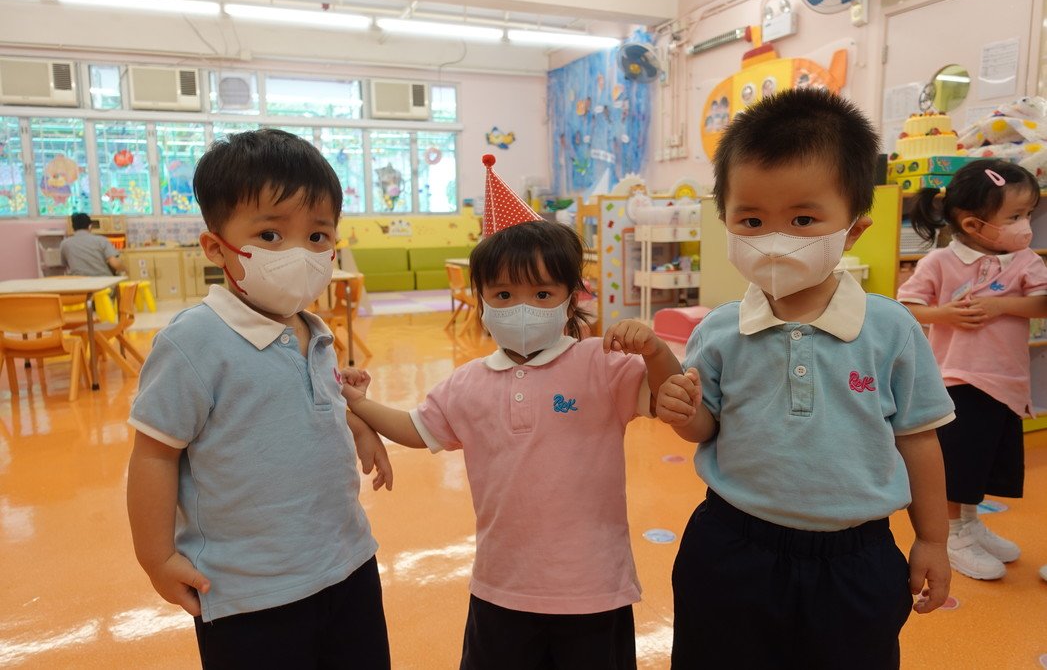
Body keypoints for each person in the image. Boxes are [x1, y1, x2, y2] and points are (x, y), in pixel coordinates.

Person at [340, 156, 682, 670]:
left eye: (542, 293)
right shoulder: (467, 383)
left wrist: (654, 350)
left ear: (569, 299)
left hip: (592, 588)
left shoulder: (601, 364)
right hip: (501, 587)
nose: (523, 307)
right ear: (481, 299)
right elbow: (415, 429)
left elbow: (666, 397)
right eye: (503, 294)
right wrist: (361, 404)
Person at [655, 89, 956, 669]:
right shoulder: (719, 330)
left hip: (856, 557)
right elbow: (705, 428)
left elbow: (919, 439)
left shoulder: (891, 328)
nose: (774, 240)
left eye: (802, 220)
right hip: (730, 547)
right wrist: (683, 411)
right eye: (751, 220)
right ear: (726, 223)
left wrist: (933, 539)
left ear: (853, 229)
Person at [126, 129, 393, 669]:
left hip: (348, 563)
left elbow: (307, 402)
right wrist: (157, 558)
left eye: (317, 236)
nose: (300, 253)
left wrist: (359, 425)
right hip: (248, 591)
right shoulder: (193, 342)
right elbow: (154, 455)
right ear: (215, 247)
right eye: (270, 235)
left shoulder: (314, 329)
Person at [897, 158, 1047, 581]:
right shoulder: (940, 262)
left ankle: (968, 523)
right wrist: (945, 314)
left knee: (981, 464)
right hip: (956, 378)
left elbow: (1042, 302)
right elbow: (907, 307)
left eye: (1028, 214)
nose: (1025, 225)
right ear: (973, 224)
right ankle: (951, 535)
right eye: (1014, 216)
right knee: (957, 463)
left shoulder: (1024, 260)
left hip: (1007, 382)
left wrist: (1000, 305)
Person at [60, 211, 126, 276]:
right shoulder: (102, 240)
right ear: (90, 226)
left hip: (79, 280)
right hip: (103, 279)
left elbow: (65, 265)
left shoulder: (65, 244)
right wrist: (126, 270)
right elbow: (115, 263)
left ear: (73, 227)